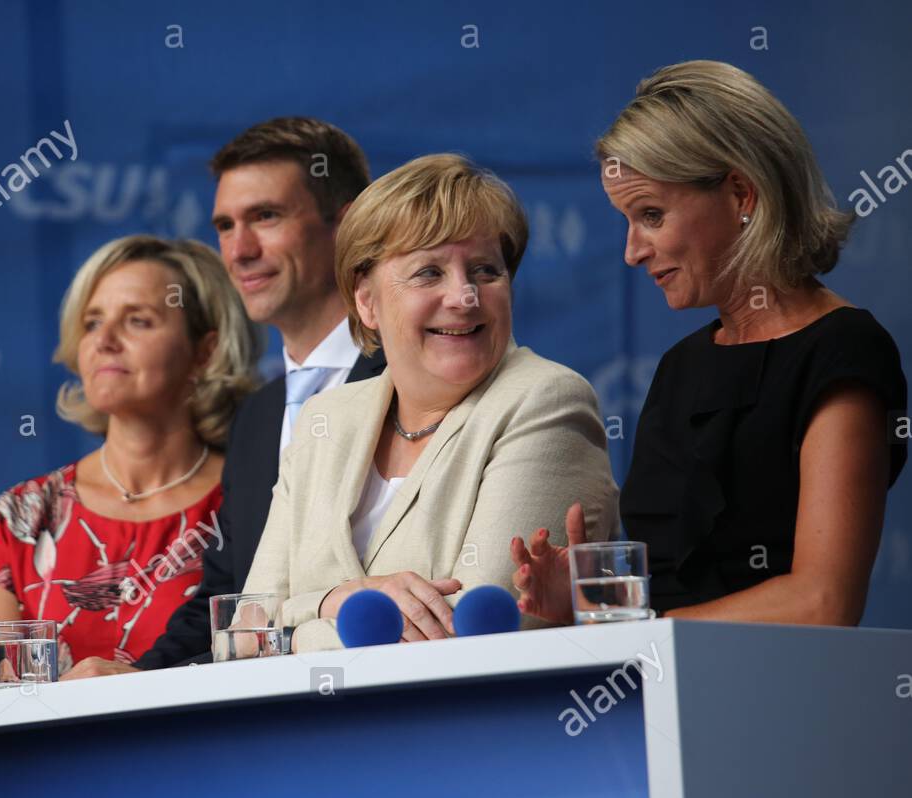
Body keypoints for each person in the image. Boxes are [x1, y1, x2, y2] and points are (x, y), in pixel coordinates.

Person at [511, 60, 907, 626]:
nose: (633, 251)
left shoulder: (844, 351)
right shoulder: (682, 367)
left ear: (742, 194)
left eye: (651, 215)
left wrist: (643, 636)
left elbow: (823, 603)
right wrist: (582, 607)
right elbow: (672, 593)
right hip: (656, 699)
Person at [241, 154, 619, 648]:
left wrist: (297, 621)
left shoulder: (547, 400)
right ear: (366, 300)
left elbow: (476, 630)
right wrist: (337, 599)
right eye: (428, 273)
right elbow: (245, 629)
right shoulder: (326, 418)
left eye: (485, 270)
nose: (464, 296)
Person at [65, 116, 381, 677]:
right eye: (225, 225)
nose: (239, 250)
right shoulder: (259, 416)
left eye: (266, 216)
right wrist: (135, 677)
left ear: (347, 221)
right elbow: (230, 596)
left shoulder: (411, 378)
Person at [0, 236, 261, 667]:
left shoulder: (252, 504)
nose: (104, 340)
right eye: (91, 323)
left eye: (137, 321)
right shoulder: (23, 515)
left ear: (205, 351)